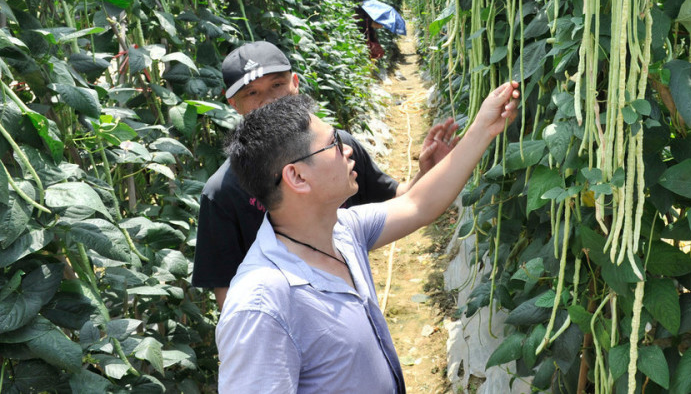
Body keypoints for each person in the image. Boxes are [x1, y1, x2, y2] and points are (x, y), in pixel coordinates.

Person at [216, 82, 520, 393]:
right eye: (334, 144)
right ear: (297, 176)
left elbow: (418, 204)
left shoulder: (343, 230)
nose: (348, 149)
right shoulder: (261, 305)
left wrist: (484, 126)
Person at [191, 40, 460, 308]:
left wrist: (426, 173)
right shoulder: (222, 193)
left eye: (277, 85)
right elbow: (228, 293)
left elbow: (400, 201)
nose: (270, 101)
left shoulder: (338, 150)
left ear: (295, 84)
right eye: (252, 93)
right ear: (233, 103)